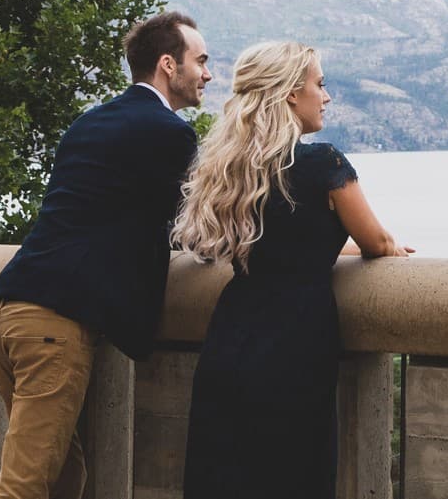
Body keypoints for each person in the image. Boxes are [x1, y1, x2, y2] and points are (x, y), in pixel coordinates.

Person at [0, 11, 210, 499]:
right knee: (23, 486)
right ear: (169, 65)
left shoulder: (89, 122)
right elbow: (199, 224)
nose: (208, 74)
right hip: (54, 323)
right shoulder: (170, 133)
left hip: (5, 310)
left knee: (63, 475)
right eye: (201, 61)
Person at [174, 40, 411, 498]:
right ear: (289, 94)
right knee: (293, 474)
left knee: (224, 477)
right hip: (294, 345)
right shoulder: (324, 163)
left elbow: (287, 242)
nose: (327, 96)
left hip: (231, 338)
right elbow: (377, 242)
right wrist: (392, 249)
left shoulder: (237, 170)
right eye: (319, 85)